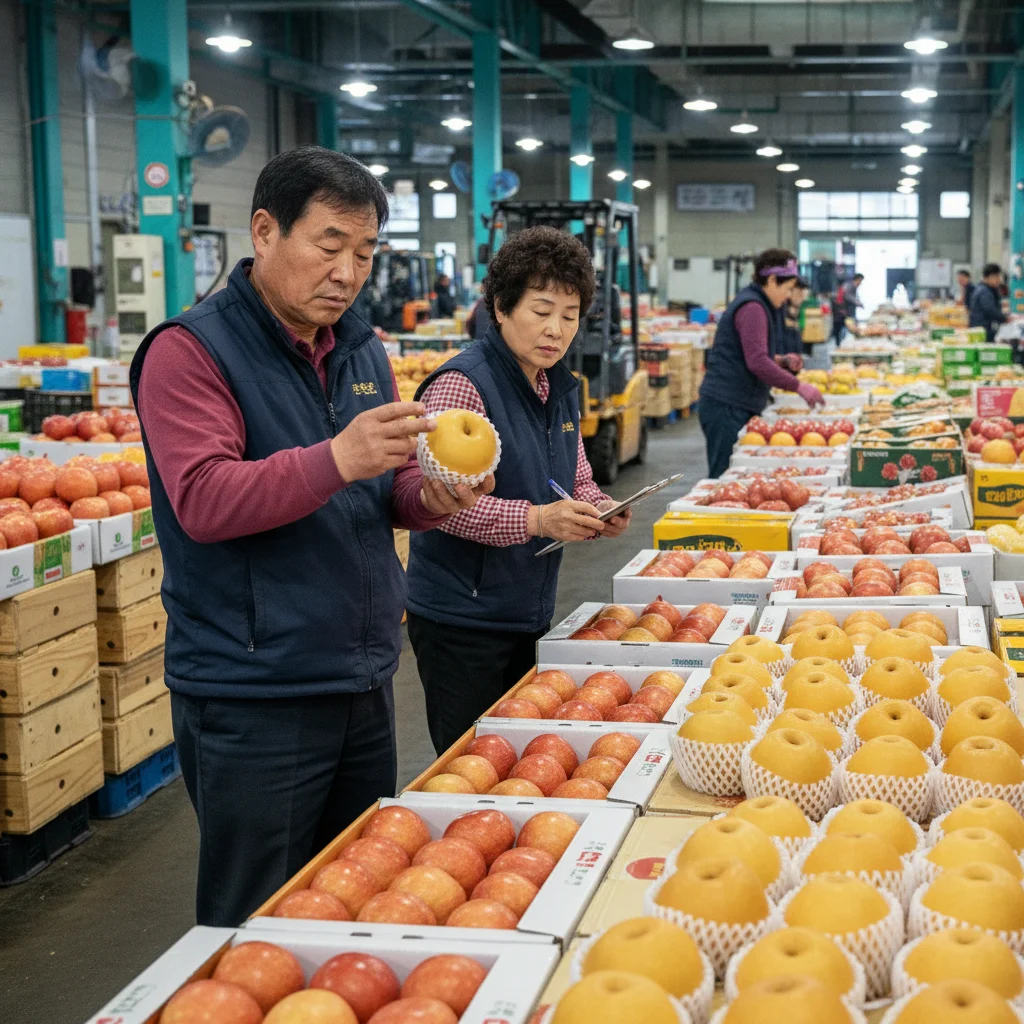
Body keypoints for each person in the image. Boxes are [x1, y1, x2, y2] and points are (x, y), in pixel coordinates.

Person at [130, 147, 492, 926]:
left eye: (364, 253)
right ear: (265, 231)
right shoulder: (189, 352)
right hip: (255, 690)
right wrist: (338, 458)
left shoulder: (358, 346)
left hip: (361, 678)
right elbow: (204, 499)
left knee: (357, 900)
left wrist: (432, 497)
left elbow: (383, 491)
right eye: (329, 245)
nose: (347, 273)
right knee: (254, 922)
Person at [406, 226, 632, 754]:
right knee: (473, 762)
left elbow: (575, 477)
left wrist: (600, 506)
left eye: (570, 316)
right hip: (462, 620)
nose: (556, 330)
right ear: (502, 308)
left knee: (519, 758)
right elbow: (443, 504)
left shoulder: (558, 387)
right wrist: (538, 520)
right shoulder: (462, 385)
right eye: (542, 310)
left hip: (526, 608)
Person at [698, 249, 824, 479]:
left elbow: (748, 354)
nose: (788, 296)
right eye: (788, 289)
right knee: (726, 477)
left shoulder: (759, 304)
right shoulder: (753, 308)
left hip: (736, 402)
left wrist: (781, 361)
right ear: (772, 280)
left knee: (738, 477)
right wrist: (798, 386)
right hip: (727, 405)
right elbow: (756, 362)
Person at [969, 262, 1008, 343]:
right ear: (990, 276)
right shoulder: (984, 291)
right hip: (983, 329)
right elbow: (990, 310)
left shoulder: (984, 289)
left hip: (981, 328)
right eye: (997, 276)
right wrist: (1005, 318)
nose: (999, 280)